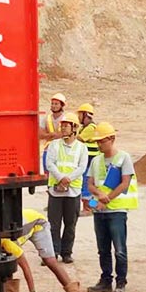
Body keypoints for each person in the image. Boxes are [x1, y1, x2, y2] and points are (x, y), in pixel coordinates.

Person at [87, 121, 139, 292]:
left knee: (119, 249)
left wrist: (106, 198)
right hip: (100, 211)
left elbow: (125, 183)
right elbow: (90, 184)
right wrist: (98, 198)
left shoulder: (123, 158)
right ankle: (106, 280)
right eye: (97, 141)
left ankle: (121, 282)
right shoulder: (96, 161)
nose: (99, 144)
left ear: (111, 139)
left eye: (101, 141)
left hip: (117, 211)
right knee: (103, 249)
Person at [1, 208, 83, 292]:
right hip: (20, 227)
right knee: (7, 261)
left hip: (38, 223)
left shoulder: (7, 244)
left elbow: (25, 267)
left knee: (49, 261)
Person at [45, 112, 88, 264]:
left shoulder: (81, 148)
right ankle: (53, 252)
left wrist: (69, 178)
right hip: (56, 191)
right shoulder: (54, 145)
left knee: (70, 224)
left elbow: (82, 167)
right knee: (53, 224)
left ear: (74, 128)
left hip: (73, 191)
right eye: (62, 125)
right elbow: (50, 164)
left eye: (66, 125)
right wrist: (61, 178)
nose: (63, 128)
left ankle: (66, 252)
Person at [77, 103, 100, 213]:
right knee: (89, 183)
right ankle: (92, 206)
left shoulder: (90, 128)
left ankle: (88, 208)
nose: (78, 117)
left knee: (86, 183)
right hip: (88, 159)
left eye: (80, 114)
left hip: (90, 159)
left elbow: (79, 139)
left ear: (85, 114)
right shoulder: (84, 128)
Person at [39, 93, 67, 172]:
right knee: (47, 172)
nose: (54, 106)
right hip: (48, 150)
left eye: (56, 104)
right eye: (52, 104)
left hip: (61, 150)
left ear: (62, 105)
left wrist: (48, 135)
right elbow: (40, 134)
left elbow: (65, 134)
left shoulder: (65, 118)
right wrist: (51, 135)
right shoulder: (47, 118)